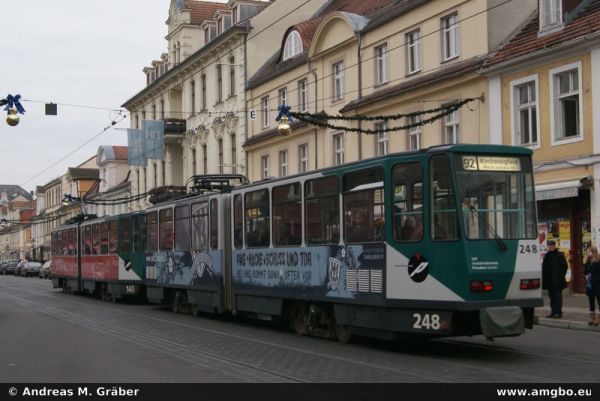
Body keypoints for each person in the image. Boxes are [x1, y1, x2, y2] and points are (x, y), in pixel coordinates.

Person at [542, 240, 568, 318]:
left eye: (551, 245)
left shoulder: (559, 255)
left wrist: (560, 276)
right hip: (549, 280)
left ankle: (558, 312)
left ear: (554, 246)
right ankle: (553, 312)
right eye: (549, 245)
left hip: (557, 280)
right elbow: (544, 267)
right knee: (551, 296)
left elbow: (564, 266)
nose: (550, 246)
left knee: (558, 296)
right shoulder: (547, 256)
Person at [583, 245, 600, 326]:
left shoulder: (598, 261)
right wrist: (586, 275)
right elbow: (585, 271)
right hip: (590, 285)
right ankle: (592, 316)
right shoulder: (587, 261)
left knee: (599, 300)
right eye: (587, 252)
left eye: (589, 252)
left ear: (594, 253)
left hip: (597, 284)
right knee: (591, 301)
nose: (588, 253)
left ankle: (599, 318)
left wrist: (593, 279)